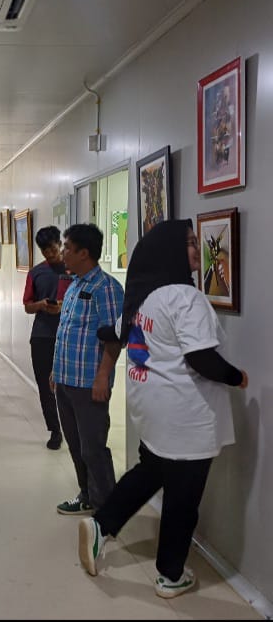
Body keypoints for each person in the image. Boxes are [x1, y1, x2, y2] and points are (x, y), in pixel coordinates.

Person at [78, 219, 248, 599]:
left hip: (151, 408)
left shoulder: (146, 297)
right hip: (185, 415)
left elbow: (117, 333)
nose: (196, 248)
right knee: (183, 499)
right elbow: (202, 359)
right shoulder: (185, 298)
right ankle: (171, 575)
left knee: (151, 470)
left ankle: (102, 525)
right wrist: (237, 377)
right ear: (169, 252)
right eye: (189, 243)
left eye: (196, 242)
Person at [50, 223, 124, 515]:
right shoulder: (74, 285)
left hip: (89, 382)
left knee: (93, 448)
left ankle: (107, 509)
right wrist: (56, 371)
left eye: (67, 247)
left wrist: (103, 376)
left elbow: (114, 338)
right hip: (66, 379)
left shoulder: (106, 288)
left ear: (84, 253)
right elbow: (66, 333)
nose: (63, 252)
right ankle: (87, 496)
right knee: (75, 444)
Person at [22, 226, 66, 450]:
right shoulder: (36, 273)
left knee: (67, 385)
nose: (49, 254)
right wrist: (40, 305)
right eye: (44, 251)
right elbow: (27, 306)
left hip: (68, 335)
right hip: (42, 335)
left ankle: (73, 427)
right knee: (44, 385)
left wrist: (62, 306)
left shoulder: (73, 269)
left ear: (60, 244)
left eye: (52, 249)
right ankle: (55, 430)